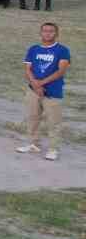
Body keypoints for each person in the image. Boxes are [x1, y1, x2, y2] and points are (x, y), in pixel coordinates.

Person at [18, 22, 69, 161]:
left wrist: (41, 83)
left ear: (56, 33)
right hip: (33, 90)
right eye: (45, 31)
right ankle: (33, 144)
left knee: (53, 121)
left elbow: (61, 71)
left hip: (53, 91)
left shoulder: (62, 50)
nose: (47, 33)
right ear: (40, 33)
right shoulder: (33, 49)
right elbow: (28, 69)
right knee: (32, 118)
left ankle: (53, 149)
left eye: (51, 31)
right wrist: (35, 84)